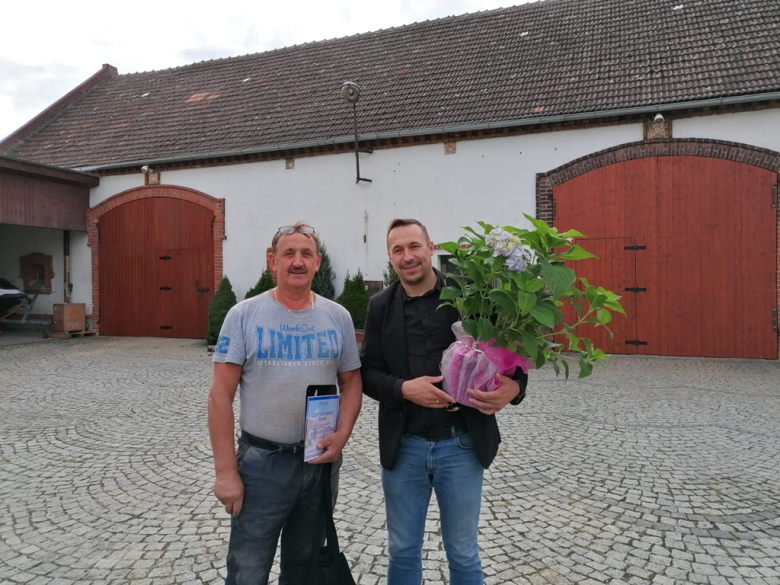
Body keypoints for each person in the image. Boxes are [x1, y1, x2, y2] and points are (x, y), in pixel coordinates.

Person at [360, 218, 528, 585]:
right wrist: (404, 388)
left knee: (464, 553)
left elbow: (513, 357)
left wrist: (514, 388)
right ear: (390, 257)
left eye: (414, 246)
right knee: (403, 550)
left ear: (430, 247)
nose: (408, 256)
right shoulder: (379, 307)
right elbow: (368, 372)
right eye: (398, 250)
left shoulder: (473, 295)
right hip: (404, 446)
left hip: (462, 442)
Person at [208, 222, 362, 585]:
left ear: (317, 262)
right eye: (288, 254)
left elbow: (352, 381)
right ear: (271, 261)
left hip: (319, 461)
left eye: (306, 254)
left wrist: (342, 434)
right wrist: (226, 472)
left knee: (305, 567)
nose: (297, 261)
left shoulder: (337, 317)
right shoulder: (244, 315)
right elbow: (219, 396)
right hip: (262, 466)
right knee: (248, 569)